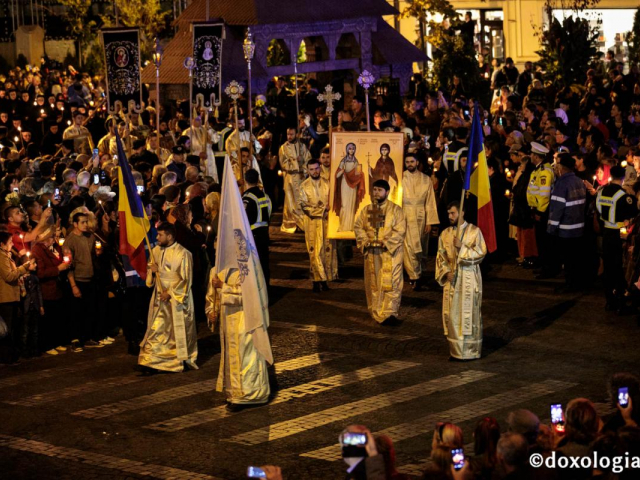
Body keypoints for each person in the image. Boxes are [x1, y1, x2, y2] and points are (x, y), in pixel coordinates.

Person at [206, 266, 271, 412]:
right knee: (232, 359)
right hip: (227, 322)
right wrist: (212, 311)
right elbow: (212, 297)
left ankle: (251, 394)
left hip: (245, 321)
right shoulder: (216, 269)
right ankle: (234, 394)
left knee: (246, 358)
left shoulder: (248, 267)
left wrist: (224, 286)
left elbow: (251, 295)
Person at [139, 221, 198, 373]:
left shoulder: (183, 253)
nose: (157, 238)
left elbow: (186, 279)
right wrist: (153, 272)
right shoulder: (156, 251)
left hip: (176, 299)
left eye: (160, 235)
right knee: (156, 329)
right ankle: (151, 361)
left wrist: (170, 293)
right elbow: (151, 273)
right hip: (159, 296)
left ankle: (174, 361)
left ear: (170, 236)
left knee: (174, 332)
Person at [436, 201, 487, 361]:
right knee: (453, 314)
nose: (450, 216)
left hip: (469, 277)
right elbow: (440, 256)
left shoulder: (474, 231)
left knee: (468, 313)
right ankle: (455, 350)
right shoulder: (445, 234)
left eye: (453, 213)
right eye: (448, 213)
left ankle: (470, 351)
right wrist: (446, 272)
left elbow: (480, 253)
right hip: (452, 279)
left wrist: (462, 248)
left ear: (462, 212)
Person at [354, 179, 406, 326]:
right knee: (374, 282)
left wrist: (387, 242)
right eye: (375, 190)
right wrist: (365, 241)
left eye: (379, 190)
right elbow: (358, 227)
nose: (376, 193)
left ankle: (390, 313)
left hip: (390, 254)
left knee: (392, 283)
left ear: (387, 192)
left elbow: (400, 230)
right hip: (373, 254)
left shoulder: (396, 210)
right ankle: (377, 311)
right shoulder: (367, 210)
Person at [596, 165, 638, 312]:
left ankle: (609, 300)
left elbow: (598, 211)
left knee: (607, 267)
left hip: (606, 233)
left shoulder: (601, 191)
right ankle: (620, 300)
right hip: (618, 235)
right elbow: (633, 212)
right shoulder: (623, 195)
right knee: (618, 267)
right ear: (623, 178)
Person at [547, 153, 587, 292]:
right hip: (579, 227)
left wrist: (551, 228)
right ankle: (576, 283)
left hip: (565, 229)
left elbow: (557, 208)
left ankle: (570, 285)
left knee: (568, 259)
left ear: (561, 167)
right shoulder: (579, 181)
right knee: (575, 258)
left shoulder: (561, 184)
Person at [63, 211, 103, 351]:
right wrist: (73, 285)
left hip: (90, 277)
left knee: (89, 310)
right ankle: (76, 339)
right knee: (77, 312)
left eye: (87, 222)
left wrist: (97, 253)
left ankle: (87, 337)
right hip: (78, 279)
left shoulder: (90, 236)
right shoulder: (70, 240)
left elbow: (92, 254)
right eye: (83, 222)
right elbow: (68, 265)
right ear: (75, 224)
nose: (86, 225)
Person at [299, 159, 338, 292]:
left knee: (326, 250)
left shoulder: (327, 184)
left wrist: (329, 209)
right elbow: (304, 206)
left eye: (316, 168)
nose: (314, 171)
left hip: (326, 222)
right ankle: (316, 280)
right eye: (311, 169)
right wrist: (322, 210)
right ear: (308, 170)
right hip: (312, 223)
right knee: (314, 251)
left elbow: (333, 201)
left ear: (320, 168)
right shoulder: (304, 186)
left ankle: (325, 280)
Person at [402, 154, 439, 290]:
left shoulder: (425, 179)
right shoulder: (400, 178)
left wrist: (430, 222)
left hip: (421, 216)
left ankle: (419, 271)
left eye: (412, 161)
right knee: (409, 247)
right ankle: (414, 276)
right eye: (407, 162)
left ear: (417, 162)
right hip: (405, 215)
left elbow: (430, 202)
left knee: (421, 246)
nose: (409, 164)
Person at [0, 231, 37, 363]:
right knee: (6, 328)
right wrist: (24, 267)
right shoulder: (1, 257)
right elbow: (9, 276)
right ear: (2, 244)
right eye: (10, 242)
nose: (12, 244)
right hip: (6, 298)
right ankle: (6, 356)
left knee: (11, 326)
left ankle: (10, 354)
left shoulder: (6, 255)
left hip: (11, 296)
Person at [526, 142, 555, 278]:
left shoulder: (544, 172)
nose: (530, 156)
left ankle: (547, 269)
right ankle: (543, 265)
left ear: (537, 156)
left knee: (544, 241)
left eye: (532, 154)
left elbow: (544, 194)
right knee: (541, 240)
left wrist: (539, 212)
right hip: (537, 210)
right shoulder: (539, 170)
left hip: (543, 212)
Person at [242, 169, 272, 286]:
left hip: (253, 235)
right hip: (264, 233)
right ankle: (266, 287)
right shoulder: (265, 196)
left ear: (245, 180)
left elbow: (245, 218)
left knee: (255, 264)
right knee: (264, 263)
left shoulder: (247, 198)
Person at [278, 127, 310, 233]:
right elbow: (283, 163)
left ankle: (302, 224)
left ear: (296, 134)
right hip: (290, 178)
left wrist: (302, 163)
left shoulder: (302, 146)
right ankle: (292, 223)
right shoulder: (283, 148)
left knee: (301, 201)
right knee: (290, 201)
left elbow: (308, 159)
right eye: (288, 134)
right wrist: (295, 162)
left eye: (291, 134)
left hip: (301, 178)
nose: (289, 136)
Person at [334, 142, 366, 232]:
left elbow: (358, 174)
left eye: (353, 149)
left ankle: (350, 226)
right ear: (347, 150)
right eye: (350, 148)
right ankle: (342, 226)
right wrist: (343, 170)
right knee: (344, 205)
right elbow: (337, 175)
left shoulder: (356, 161)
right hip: (344, 184)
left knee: (351, 205)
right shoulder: (343, 161)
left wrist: (360, 173)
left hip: (353, 185)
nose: (351, 150)